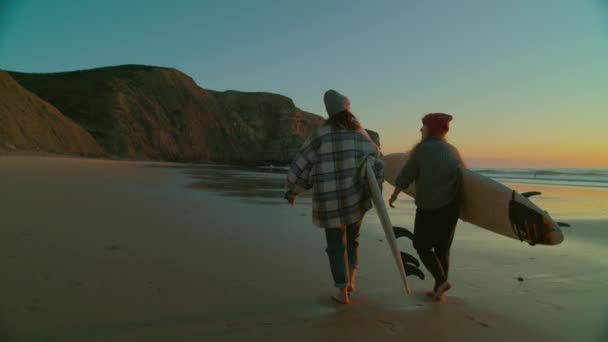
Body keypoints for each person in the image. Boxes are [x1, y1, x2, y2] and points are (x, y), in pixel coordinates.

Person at [285, 89, 383, 305]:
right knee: (353, 240)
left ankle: (342, 292)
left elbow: (303, 162)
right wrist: (376, 191)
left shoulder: (320, 133)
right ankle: (352, 281)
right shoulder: (360, 133)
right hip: (355, 198)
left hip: (329, 201)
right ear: (347, 109)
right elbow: (376, 159)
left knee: (335, 245)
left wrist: (293, 189)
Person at [388, 113, 465, 301]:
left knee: (421, 245)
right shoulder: (453, 150)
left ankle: (441, 280)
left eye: (423, 126)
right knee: (442, 248)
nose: (420, 129)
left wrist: (394, 194)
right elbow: (463, 178)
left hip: (429, 207)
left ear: (432, 129)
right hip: (451, 207)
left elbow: (406, 175)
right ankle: (439, 288)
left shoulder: (423, 149)